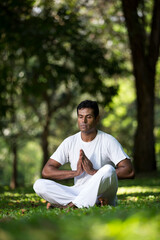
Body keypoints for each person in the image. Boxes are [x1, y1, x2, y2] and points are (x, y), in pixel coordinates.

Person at [33, 100, 135, 209]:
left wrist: (94, 172)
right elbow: (47, 171)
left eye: (89, 117)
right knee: (39, 185)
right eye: (80, 117)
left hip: (103, 193)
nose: (84, 121)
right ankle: (87, 203)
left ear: (97, 119)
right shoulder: (70, 142)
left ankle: (71, 205)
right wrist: (75, 173)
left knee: (109, 169)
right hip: (78, 191)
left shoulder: (108, 140)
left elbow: (129, 171)